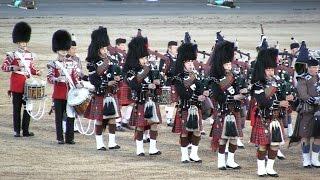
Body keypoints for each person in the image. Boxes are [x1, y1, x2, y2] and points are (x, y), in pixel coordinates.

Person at [250, 48, 292, 177]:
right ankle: (261, 169)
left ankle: (270, 168)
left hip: (276, 118)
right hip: (263, 118)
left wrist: (287, 98)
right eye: (268, 70)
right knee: (263, 146)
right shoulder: (257, 85)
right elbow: (262, 102)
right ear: (262, 70)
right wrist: (279, 103)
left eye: (272, 69)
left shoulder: (278, 83)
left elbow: (281, 97)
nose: (270, 72)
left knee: (274, 145)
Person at [1, 21, 41, 137]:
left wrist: (37, 72)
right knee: (17, 108)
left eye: (25, 44)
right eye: (22, 44)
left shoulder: (30, 55)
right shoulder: (12, 55)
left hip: (27, 84)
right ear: (18, 43)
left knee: (28, 108)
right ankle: (17, 131)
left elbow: (31, 69)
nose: (24, 46)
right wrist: (13, 67)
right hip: (17, 84)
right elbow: (4, 67)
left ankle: (26, 130)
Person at [124, 36, 162, 156]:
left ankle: (152, 148)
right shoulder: (130, 71)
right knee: (140, 126)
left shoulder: (151, 69)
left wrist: (158, 83)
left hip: (152, 100)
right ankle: (139, 149)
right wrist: (147, 85)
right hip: (141, 100)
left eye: (146, 57)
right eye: (142, 58)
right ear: (136, 58)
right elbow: (134, 84)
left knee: (154, 124)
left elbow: (159, 81)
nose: (145, 60)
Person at [84, 26, 121, 151]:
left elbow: (116, 72)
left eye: (106, 48)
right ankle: (99, 144)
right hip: (100, 93)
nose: (106, 50)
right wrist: (107, 83)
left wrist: (117, 79)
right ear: (97, 49)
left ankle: (112, 142)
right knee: (99, 120)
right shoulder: (92, 63)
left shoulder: (111, 60)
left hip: (111, 94)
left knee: (112, 119)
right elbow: (93, 79)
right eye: (103, 48)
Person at [210, 40, 244, 170]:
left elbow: (240, 90)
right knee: (223, 138)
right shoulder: (214, 79)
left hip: (234, 110)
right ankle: (221, 161)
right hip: (223, 110)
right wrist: (234, 96)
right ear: (221, 64)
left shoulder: (235, 76)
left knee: (234, 138)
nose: (229, 65)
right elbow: (218, 96)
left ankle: (231, 160)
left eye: (230, 63)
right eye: (226, 63)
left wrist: (243, 92)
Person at [172, 42, 205, 163]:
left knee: (197, 131)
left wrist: (199, 94)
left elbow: (201, 88)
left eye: (192, 62)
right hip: (185, 107)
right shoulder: (178, 78)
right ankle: (184, 155)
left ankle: (194, 154)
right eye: (188, 62)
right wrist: (197, 95)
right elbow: (183, 94)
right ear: (183, 63)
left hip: (196, 108)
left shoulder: (196, 75)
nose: (191, 64)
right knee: (185, 132)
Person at [47, 29, 81, 144]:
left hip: (70, 94)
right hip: (58, 94)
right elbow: (49, 78)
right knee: (59, 117)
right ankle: (60, 138)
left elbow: (75, 78)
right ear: (57, 49)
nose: (63, 51)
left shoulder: (73, 63)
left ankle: (70, 138)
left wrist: (79, 85)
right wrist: (58, 79)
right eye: (61, 49)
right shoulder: (53, 64)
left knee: (70, 116)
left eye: (64, 49)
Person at [295, 41, 320, 168]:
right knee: (305, 137)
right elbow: (303, 95)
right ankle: (306, 160)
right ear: (308, 68)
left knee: (318, 136)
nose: (314, 70)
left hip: (319, 112)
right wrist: (316, 100)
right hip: (307, 111)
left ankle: (315, 159)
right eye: (312, 68)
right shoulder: (302, 78)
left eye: (316, 67)